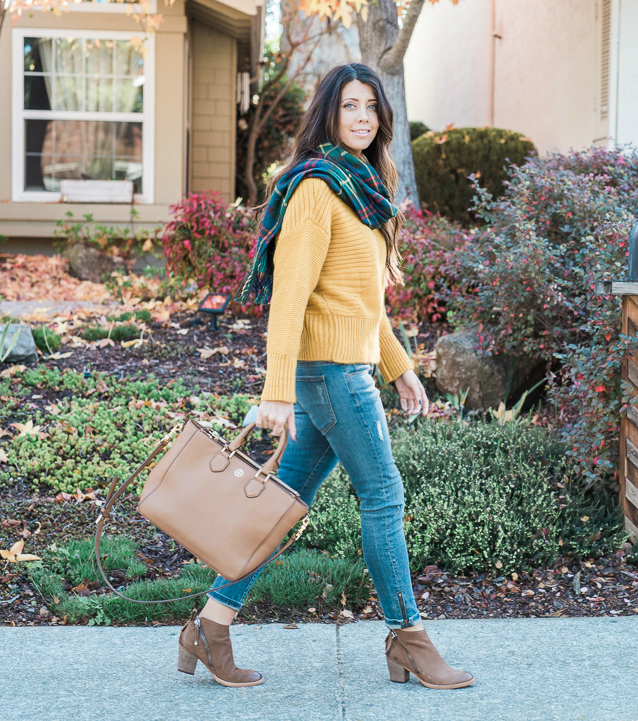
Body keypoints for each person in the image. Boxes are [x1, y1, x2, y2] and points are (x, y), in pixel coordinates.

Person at [174, 63, 475, 691]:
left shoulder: (362, 187)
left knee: (283, 505)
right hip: (329, 375)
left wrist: (400, 369)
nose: (362, 117)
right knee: (384, 496)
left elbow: (359, 304)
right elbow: (291, 299)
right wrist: (276, 392)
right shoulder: (317, 188)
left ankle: (210, 624)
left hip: (343, 366)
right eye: (349, 107)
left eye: (371, 106)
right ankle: (410, 639)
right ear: (329, 116)